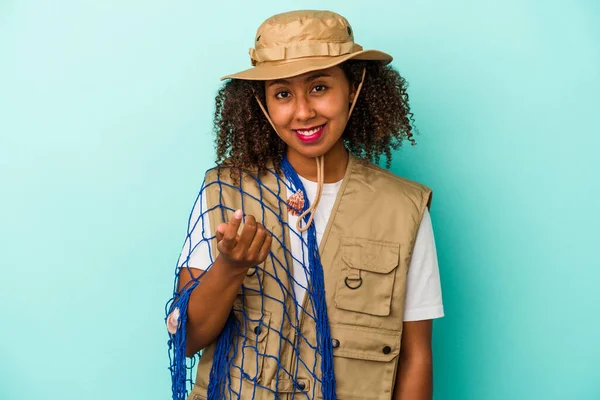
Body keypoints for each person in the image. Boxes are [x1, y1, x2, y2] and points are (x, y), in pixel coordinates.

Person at [166, 9, 444, 400]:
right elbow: (189, 338)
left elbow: (416, 356)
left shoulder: (404, 208)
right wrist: (231, 267)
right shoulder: (224, 192)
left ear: (353, 86)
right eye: (282, 94)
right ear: (261, 105)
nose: (303, 111)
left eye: (319, 87)